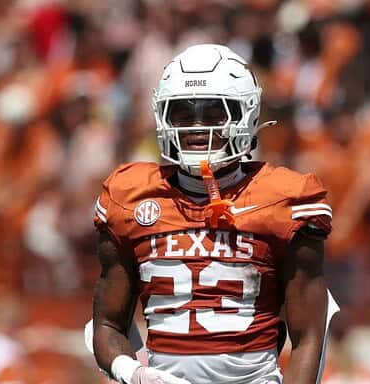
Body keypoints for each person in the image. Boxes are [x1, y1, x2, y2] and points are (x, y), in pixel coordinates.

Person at [90, 44, 338, 384]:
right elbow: (105, 324)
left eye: (213, 114)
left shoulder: (284, 199)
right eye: (183, 113)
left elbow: (310, 332)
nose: (196, 127)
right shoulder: (130, 197)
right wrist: (134, 374)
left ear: (245, 114)